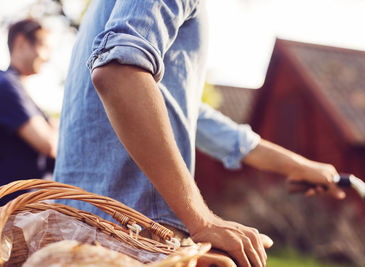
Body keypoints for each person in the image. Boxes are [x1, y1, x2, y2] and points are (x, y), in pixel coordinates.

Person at [55, 1, 345, 266]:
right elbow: (120, 72)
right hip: (132, 236)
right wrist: (202, 220)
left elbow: (190, 115)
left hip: (70, 230)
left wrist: (296, 165)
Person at [0, 18, 57, 205]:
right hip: (15, 211)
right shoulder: (6, 86)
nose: (47, 57)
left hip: (26, 208)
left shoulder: (19, 89)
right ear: (21, 42)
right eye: (43, 47)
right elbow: (49, 144)